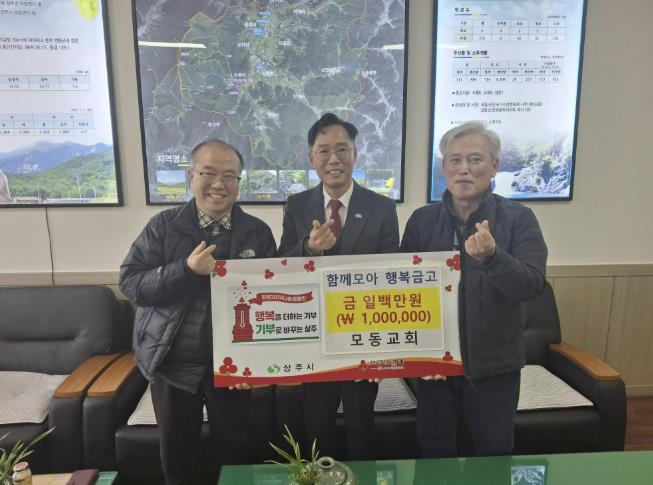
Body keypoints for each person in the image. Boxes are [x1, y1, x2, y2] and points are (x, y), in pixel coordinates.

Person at [119, 140, 276, 484]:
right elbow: (131, 283)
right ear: (191, 176)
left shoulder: (258, 232)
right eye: (209, 173)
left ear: (239, 182)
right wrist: (186, 270)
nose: (219, 184)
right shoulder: (163, 226)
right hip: (172, 363)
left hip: (232, 366)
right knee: (178, 457)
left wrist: (255, 361)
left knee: (236, 454)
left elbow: (269, 302)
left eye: (229, 176)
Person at [401, 121, 547, 458]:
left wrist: (493, 258)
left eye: (475, 159)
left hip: (495, 367)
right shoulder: (422, 221)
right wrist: (415, 357)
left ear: (494, 166)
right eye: (455, 160)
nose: (464, 168)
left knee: (492, 456)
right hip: (436, 367)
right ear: (444, 168)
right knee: (434, 455)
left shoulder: (519, 218)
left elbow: (532, 285)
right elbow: (405, 292)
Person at [277, 112, 400, 460]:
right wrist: (308, 248)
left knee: (362, 427)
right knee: (317, 427)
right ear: (312, 158)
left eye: (342, 149)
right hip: (314, 335)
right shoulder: (296, 205)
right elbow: (280, 264)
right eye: (324, 151)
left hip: (363, 335)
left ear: (355, 155)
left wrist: (383, 352)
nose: (334, 159)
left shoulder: (381, 207)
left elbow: (392, 275)